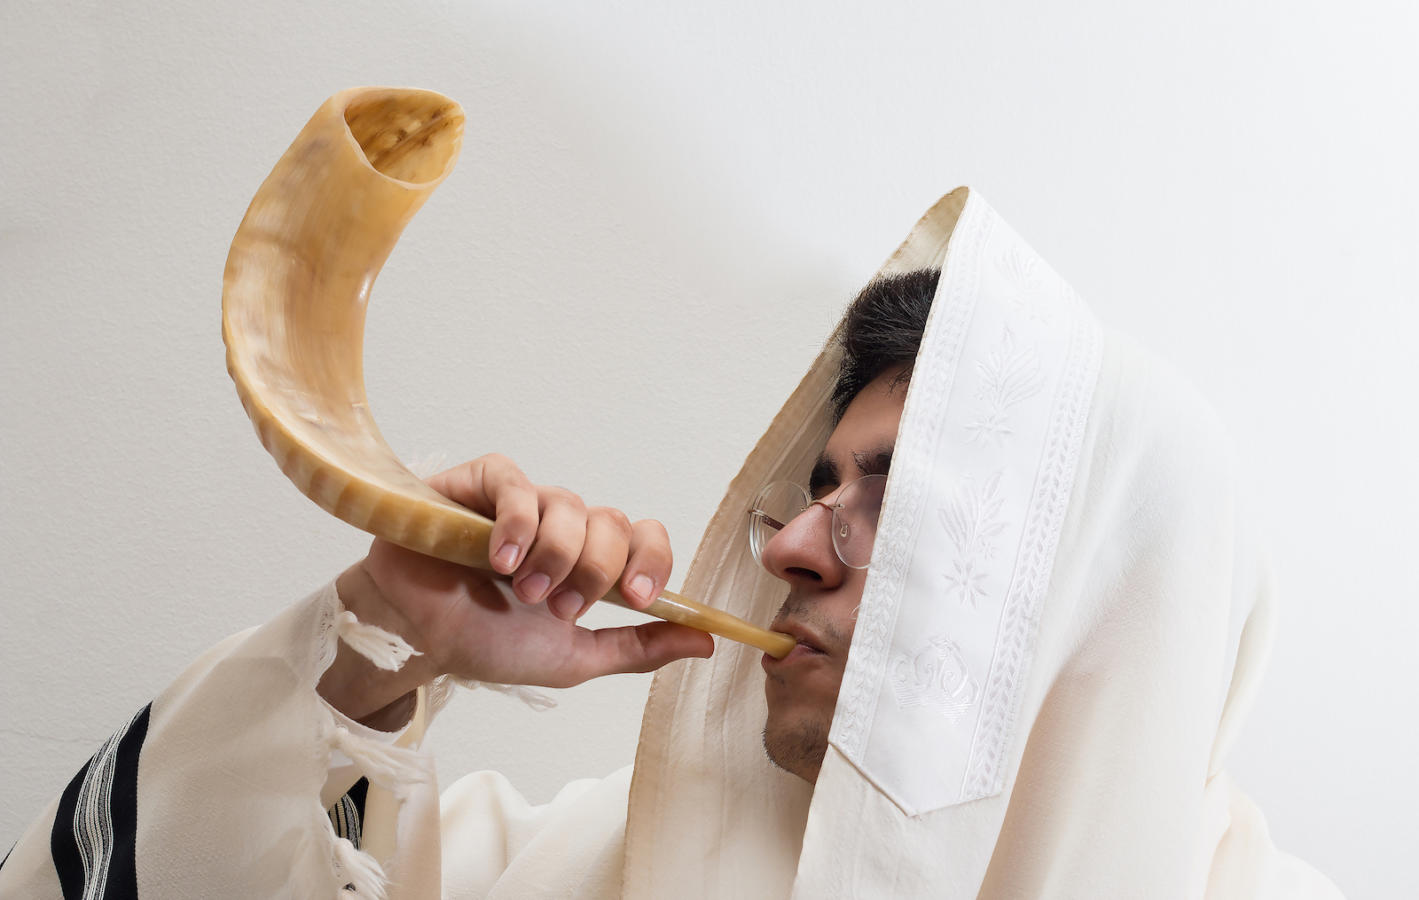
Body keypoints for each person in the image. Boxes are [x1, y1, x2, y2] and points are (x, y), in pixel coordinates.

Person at [0, 189, 1344, 899]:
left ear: (1092, 605)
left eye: (901, 505)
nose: (797, 548)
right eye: (812, 493)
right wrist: (389, 631)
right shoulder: (605, 872)